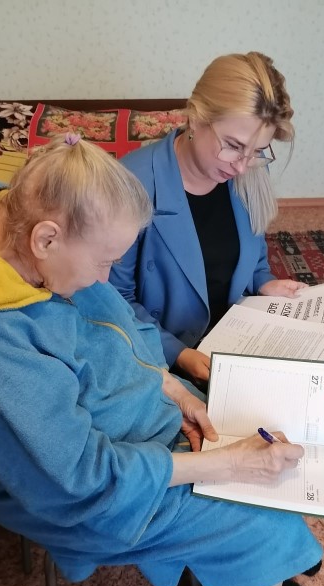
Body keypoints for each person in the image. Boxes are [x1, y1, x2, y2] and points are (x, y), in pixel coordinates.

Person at [0, 133, 321, 586]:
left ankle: (259, 564)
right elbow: (78, 479)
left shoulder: (11, 214)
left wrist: (168, 386)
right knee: (256, 519)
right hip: (84, 490)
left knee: (257, 430)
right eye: (103, 262)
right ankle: (264, 566)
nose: (104, 280)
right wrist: (222, 464)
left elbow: (112, 327)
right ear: (46, 239)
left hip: (124, 418)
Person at [110, 51, 307, 385]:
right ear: (196, 119)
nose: (241, 166)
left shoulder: (251, 172)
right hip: (157, 355)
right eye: (233, 145)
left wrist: (264, 282)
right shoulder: (129, 184)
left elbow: (254, 257)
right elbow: (114, 300)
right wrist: (178, 353)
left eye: (256, 151)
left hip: (233, 340)